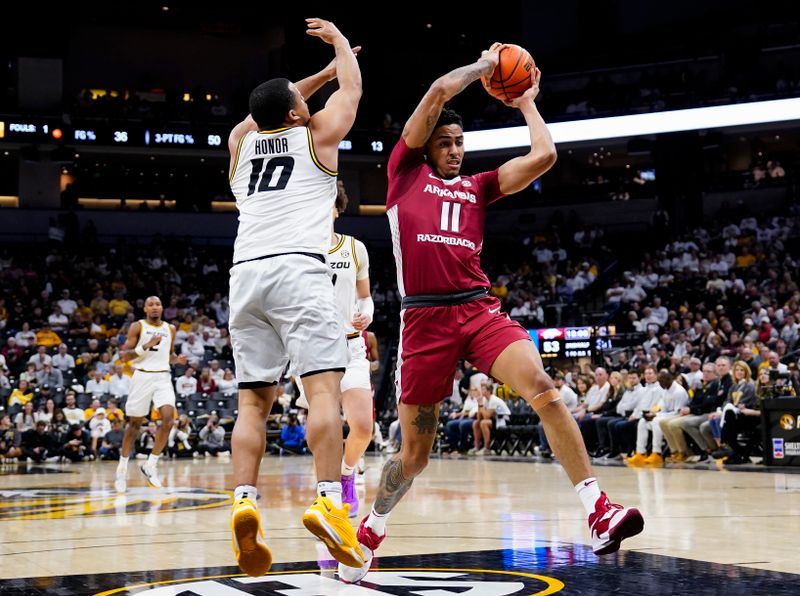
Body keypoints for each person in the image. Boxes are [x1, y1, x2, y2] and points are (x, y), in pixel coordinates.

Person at [339, 44, 642, 583]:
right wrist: (484, 68)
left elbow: (544, 158)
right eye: (446, 143)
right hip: (424, 322)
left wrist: (526, 103)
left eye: (460, 143)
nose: (455, 150)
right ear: (426, 147)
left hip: (479, 311)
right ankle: (371, 527)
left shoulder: (479, 188)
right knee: (413, 457)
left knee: (545, 388)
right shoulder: (404, 175)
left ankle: (598, 509)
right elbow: (436, 93)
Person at [226, 18, 364, 576]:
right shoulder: (316, 137)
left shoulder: (240, 147)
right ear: (293, 113)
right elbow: (352, 92)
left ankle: (244, 502)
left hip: (244, 276)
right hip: (296, 271)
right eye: (300, 101)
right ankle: (330, 499)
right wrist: (337, 55)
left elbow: (254, 114)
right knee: (322, 392)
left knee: (252, 403)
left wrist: (313, 77)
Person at [295, 184, 375, 518]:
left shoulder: (355, 249)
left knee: (363, 426)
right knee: (324, 427)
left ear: (337, 210)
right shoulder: (297, 250)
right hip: (313, 348)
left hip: (350, 345)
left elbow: (365, 297)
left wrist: (366, 312)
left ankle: (345, 475)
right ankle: (325, 492)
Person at [115, 296, 186, 492]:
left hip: (163, 377)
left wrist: (177, 360)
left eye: (158, 304)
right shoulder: (137, 327)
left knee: (168, 420)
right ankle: (122, 470)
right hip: (142, 376)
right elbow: (125, 355)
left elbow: (168, 356)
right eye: (151, 305)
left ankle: (150, 465)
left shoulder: (170, 329)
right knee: (134, 424)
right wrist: (146, 345)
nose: (155, 307)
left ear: (162, 308)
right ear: (145, 308)